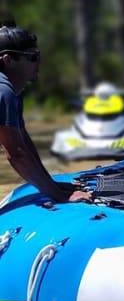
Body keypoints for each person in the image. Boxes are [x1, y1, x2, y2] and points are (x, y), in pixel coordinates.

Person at [0, 24, 93, 204]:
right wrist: (60, 196)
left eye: (39, 56)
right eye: (32, 57)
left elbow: (23, 144)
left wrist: (51, 186)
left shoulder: (13, 91)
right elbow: (17, 154)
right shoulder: (3, 91)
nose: (38, 62)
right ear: (8, 60)